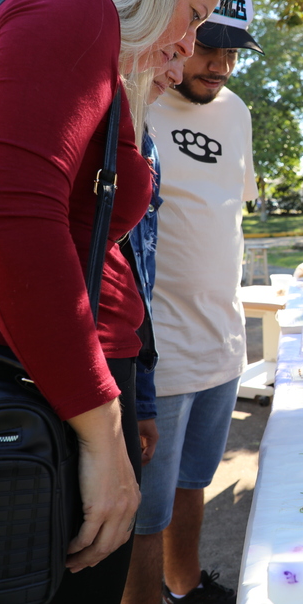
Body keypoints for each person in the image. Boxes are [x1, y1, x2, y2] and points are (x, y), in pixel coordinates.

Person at [0, 0, 225, 602]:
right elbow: (12, 222)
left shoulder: (28, 14)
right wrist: (101, 431)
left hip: (41, 371)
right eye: (195, 15)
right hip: (31, 380)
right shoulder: (74, 7)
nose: (189, 43)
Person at [123, 0, 261, 604]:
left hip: (222, 345)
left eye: (235, 49)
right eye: (211, 44)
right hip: (159, 354)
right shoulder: (136, 96)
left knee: (193, 484)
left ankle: (185, 588)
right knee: (143, 517)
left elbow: (226, 216)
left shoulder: (238, 113)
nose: (222, 63)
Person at [131, 53, 187, 467]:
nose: (177, 73)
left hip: (123, 370)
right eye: (169, 53)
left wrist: (141, 397)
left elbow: (138, 282)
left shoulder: (145, 143)